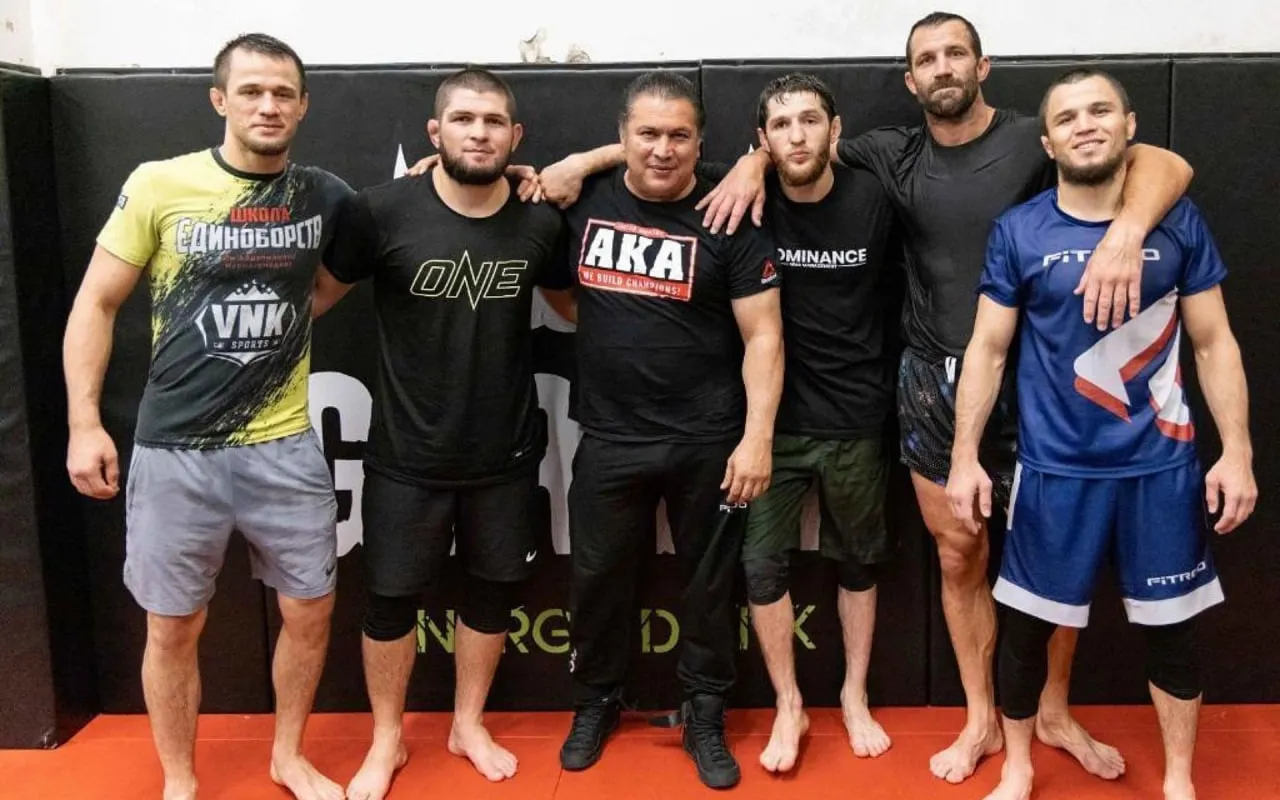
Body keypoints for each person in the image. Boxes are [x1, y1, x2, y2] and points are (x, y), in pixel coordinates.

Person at [679, 11, 1196, 784]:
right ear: (910, 79)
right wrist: (754, 162)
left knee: (1049, 560)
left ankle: (1053, 709)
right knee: (960, 554)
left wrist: (1128, 232)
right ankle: (982, 716)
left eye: (957, 52)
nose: (943, 66)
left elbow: (1164, 162)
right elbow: (795, 150)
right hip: (931, 379)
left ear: (982, 66)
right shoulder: (888, 152)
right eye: (928, 58)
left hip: (1037, 379)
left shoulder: (1034, 138)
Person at [946, 67, 1255, 800]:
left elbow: (1213, 342)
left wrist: (1237, 452)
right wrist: (964, 457)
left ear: (1129, 126)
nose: (1085, 125)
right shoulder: (1020, 231)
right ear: (1048, 142)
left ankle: (1178, 782)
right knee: (1026, 633)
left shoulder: (1177, 222)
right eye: (1068, 117)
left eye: (1100, 111)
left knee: (1173, 637)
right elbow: (988, 349)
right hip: (1055, 473)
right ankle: (1018, 770)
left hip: (1161, 470)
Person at [62, 33, 351, 800]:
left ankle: (288, 757)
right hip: (176, 449)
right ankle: (181, 779)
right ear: (220, 99)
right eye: (251, 91)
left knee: (311, 609)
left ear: (303, 106)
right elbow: (96, 303)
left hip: (283, 445)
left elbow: (333, 283)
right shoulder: (160, 184)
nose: (268, 105)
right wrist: (84, 423)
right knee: (172, 625)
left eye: (283, 93)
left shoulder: (325, 195)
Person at [314, 68, 573, 799]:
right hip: (406, 455)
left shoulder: (539, 221)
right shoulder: (379, 211)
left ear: (515, 136)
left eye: (493, 122)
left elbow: (575, 308)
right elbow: (314, 301)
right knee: (390, 602)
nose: (478, 133)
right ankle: (387, 739)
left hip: (505, 453)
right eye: (463, 119)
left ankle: (467, 724)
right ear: (436, 131)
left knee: (491, 595)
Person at [551, 71, 783, 790]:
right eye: (647, 134)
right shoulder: (584, 200)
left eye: (679, 135)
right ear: (620, 138)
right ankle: (596, 701)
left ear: (700, 143)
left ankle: (705, 712)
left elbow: (765, 336)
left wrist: (757, 438)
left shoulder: (729, 212)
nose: (662, 149)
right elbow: (559, 291)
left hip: (707, 439)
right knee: (597, 579)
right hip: (610, 436)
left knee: (709, 586)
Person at [706, 73, 899, 773]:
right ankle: (789, 702)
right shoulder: (743, 198)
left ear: (835, 130)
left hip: (858, 416)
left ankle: (853, 694)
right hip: (772, 423)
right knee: (761, 566)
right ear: (762, 139)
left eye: (810, 120)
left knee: (857, 561)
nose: (797, 135)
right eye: (781, 125)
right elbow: (646, 155)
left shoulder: (875, 198)